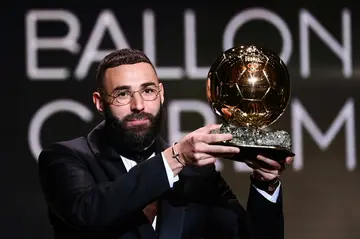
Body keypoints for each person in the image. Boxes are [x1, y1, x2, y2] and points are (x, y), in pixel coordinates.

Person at [38, 48, 293, 239]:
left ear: (161, 94)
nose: (138, 105)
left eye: (148, 91)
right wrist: (176, 158)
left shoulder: (197, 174)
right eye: (123, 94)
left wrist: (264, 184)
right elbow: (89, 213)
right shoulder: (65, 158)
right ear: (99, 102)